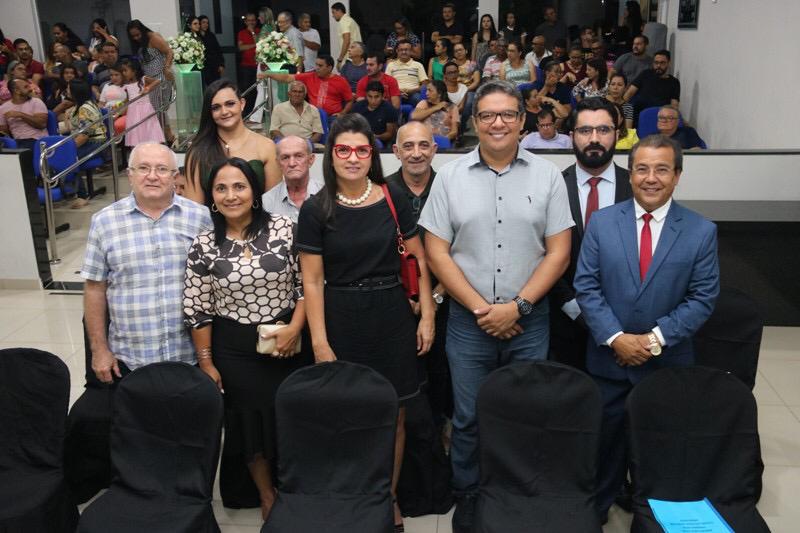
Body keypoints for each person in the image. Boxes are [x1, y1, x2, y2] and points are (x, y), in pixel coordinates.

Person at [418, 80, 574, 533]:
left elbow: (558, 253)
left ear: (523, 121)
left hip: (532, 322)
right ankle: (468, 494)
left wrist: (519, 306)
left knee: (526, 413)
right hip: (469, 324)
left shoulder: (547, 177)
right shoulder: (449, 177)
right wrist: (484, 309)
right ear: (475, 123)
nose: (498, 122)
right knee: (467, 417)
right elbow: (436, 251)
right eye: (488, 115)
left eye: (508, 114)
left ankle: (517, 493)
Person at [297, 113, 435, 532]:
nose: (353, 158)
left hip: (391, 315)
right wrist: (319, 341)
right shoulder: (315, 209)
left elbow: (419, 261)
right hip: (340, 316)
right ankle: (349, 493)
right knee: (345, 412)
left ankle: (387, 496)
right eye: (343, 150)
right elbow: (313, 281)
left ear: (371, 155)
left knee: (393, 412)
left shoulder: (392, 196)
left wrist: (427, 314)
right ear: (331, 155)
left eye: (361, 149)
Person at [574, 134, 719, 523]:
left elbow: (702, 299)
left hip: (666, 364)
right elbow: (586, 286)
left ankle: (651, 514)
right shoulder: (602, 223)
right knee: (604, 445)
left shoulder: (701, 231)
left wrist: (653, 340)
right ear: (631, 174)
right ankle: (598, 508)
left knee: (660, 447)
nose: (650, 178)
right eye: (642, 168)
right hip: (608, 361)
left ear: (677, 176)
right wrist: (617, 338)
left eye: (661, 169)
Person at [184, 157, 307, 521]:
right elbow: (198, 307)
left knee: (289, 416)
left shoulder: (286, 228)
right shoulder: (204, 244)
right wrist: (206, 362)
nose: (230, 195)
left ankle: (296, 487)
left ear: (254, 192)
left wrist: (296, 328)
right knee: (248, 423)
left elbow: (307, 287)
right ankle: (267, 495)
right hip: (234, 348)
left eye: (239, 186)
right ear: (212, 197)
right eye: (221, 188)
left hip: (289, 340)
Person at [82, 142, 212, 383]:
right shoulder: (104, 222)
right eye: (143, 168)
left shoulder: (200, 218)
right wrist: (99, 350)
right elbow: (94, 289)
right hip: (129, 360)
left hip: (189, 355)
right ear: (130, 175)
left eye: (162, 169)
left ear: (175, 177)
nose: (152, 176)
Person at [387, 121, 454, 514]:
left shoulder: (450, 188)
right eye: (407, 146)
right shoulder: (383, 192)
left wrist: (435, 296)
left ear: (434, 150)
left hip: (446, 302)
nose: (416, 152)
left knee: (441, 383)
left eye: (423, 145)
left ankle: (440, 459)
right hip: (396, 308)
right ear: (396, 152)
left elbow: (462, 245)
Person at [549, 97, 633, 373]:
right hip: (565, 322)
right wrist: (576, 310)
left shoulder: (637, 189)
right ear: (572, 136)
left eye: (604, 130)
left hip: (627, 324)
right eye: (585, 131)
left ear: (617, 134)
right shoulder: (553, 188)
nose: (594, 138)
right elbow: (542, 255)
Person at [184, 79, 281, 205]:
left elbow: (273, 206)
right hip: (211, 224)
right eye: (216, 107)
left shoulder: (267, 147)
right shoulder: (197, 152)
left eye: (230, 104)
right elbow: (194, 211)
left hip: (260, 223)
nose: (224, 112)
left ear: (242, 104)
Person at [127, 20, 174, 141]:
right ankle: (167, 138)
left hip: (160, 77)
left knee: (157, 110)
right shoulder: (139, 43)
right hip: (149, 79)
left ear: (143, 30)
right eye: (133, 36)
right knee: (155, 110)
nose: (136, 38)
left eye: (138, 35)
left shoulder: (153, 38)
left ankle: (165, 139)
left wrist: (167, 67)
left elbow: (169, 51)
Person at [261, 55, 353, 118]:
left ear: (329, 68)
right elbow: (287, 78)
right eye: (316, 65)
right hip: (311, 117)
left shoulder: (341, 81)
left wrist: (342, 114)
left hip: (332, 117)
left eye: (320, 66)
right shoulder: (310, 76)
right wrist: (269, 74)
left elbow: (350, 100)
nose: (316, 68)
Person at [63, 80, 107, 208]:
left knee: (69, 159)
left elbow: (84, 135)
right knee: (66, 156)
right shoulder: (79, 106)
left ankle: (82, 195)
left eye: (68, 88)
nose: (67, 90)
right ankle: (72, 191)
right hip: (87, 139)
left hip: (95, 141)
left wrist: (68, 150)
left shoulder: (84, 108)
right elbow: (72, 128)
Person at [624, 50, 680, 123]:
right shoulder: (645, 74)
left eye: (662, 63)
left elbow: (674, 106)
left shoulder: (674, 82)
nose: (658, 66)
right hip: (638, 117)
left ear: (668, 63)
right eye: (656, 62)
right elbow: (629, 93)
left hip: (660, 119)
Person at [120, 58, 165, 148]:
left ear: (134, 71)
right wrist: (119, 111)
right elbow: (128, 101)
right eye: (122, 71)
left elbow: (158, 81)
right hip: (133, 112)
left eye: (125, 70)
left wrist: (148, 88)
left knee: (149, 130)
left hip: (145, 110)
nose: (123, 73)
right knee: (136, 132)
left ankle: (153, 149)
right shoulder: (126, 85)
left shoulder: (143, 79)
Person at [0, 78, 47, 151]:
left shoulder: (36, 102)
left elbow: (42, 124)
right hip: (15, 141)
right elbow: (4, 131)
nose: (30, 89)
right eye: (26, 87)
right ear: (16, 91)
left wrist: (20, 115)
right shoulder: (3, 108)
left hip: (36, 140)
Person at [386, 40, 428, 106]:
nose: (404, 52)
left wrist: (411, 91)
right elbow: (386, 84)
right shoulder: (390, 65)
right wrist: (398, 92)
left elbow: (425, 85)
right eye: (401, 50)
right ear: (397, 51)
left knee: (418, 99)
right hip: (395, 94)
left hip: (414, 93)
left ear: (411, 51)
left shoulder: (418, 65)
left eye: (406, 50)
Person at [236, 13, 260, 114]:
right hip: (246, 66)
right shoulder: (241, 33)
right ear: (245, 22)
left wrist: (253, 34)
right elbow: (241, 48)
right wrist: (254, 44)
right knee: (246, 90)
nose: (251, 22)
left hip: (258, 66)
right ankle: (246, 112)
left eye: (253, 20)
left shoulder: (259, 31)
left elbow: (260, 44)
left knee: (258, 90)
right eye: (249, 20)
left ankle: (256, 113)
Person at [331, 2, 362, 70]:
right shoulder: (350, 20)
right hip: (356, 57)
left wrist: (340, 59)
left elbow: (346, 40)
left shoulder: (344, 21)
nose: (332, 15)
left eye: (333, 12)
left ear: (339, 11)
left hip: (350, 59)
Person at [198, 15, 225, 86]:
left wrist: (221, 64)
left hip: (214, 66)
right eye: (203, 22)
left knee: (215, 86)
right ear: (199, 24)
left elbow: (218, 50)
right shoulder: (196, 36)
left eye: (207, 23)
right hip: (203, 67)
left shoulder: (211, 35)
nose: (205, 25)